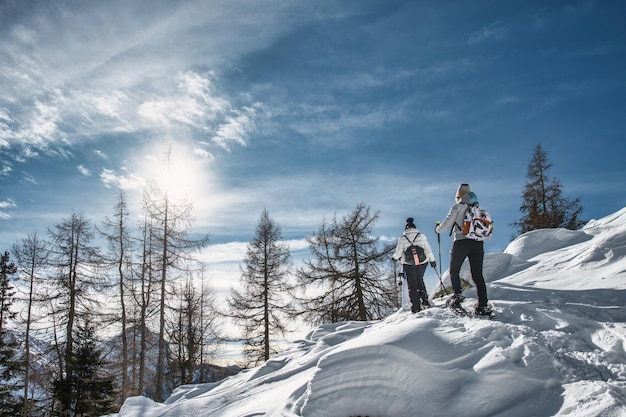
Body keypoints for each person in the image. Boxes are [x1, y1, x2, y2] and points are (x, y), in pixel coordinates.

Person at [435, 183, 492, 316]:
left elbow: (446, 225)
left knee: (454, 270)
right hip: (478, 243)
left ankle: (458, 296)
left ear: (459, 195)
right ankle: (483, 305)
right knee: (478, 275)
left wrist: (437, 228)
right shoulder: (478, 209)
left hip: (461, 242)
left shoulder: (458, 207)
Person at [392, 217, 437, 313]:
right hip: (422, 263)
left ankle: (416, 307)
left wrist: (394, 257)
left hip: (409, 264)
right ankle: (425, 300)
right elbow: (428, 250)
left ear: (406, 229)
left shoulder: (402, 238)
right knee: (419, 279)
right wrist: (432, 261)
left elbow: (399, 253)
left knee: (412, 285)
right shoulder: (421, 236)